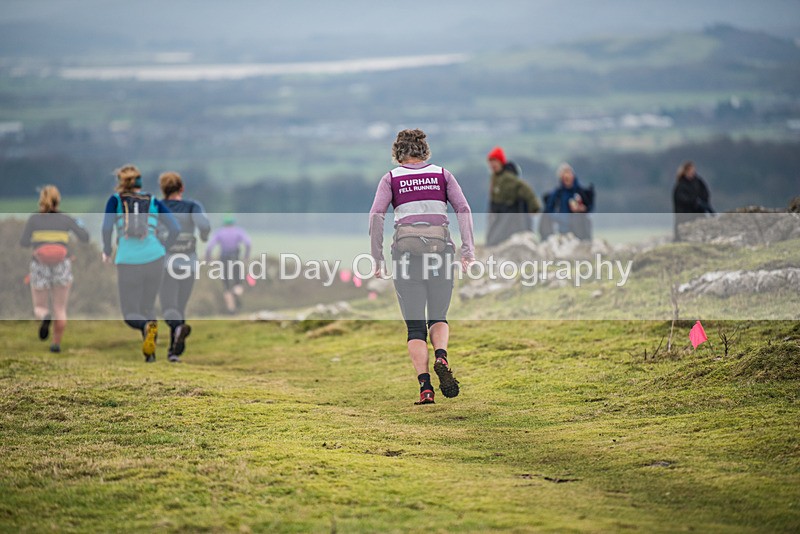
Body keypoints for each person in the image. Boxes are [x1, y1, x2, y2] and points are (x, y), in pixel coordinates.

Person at [369, 129, 475, 405]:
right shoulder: (442, 175)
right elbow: (463, 209)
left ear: (398, 153)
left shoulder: (391, 178)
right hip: (440, 253)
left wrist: (377, 258)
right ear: (424, 151)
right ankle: (441, 356)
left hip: (406, 257)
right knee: (438, 316)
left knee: (415, 328)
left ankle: (425, 388)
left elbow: (377, 215)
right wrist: (468, 251)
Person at [102, 164, 179, 362]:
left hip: (128, 260)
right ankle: (150, 355)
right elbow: (175, 228)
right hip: (155, 258)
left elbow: (107, 228)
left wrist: (107, 251)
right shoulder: (153, 200)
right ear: (139, 181)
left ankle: (145, 328)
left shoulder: (115, 201)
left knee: (130, 313)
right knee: (148, 307)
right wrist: (163, 247)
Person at [19, 185, 90, 353]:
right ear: (58, 200)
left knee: (39, 306)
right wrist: (79, 224)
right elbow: (85, 237)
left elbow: (23, 242)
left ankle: (45, 316)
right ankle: (56, 344)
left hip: (39, 265)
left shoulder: (34, 219)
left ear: (41, 200)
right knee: (60, 308)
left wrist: (37, 243)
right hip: (62, 265)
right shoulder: (65, 219)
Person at [158, 171, 211, 362]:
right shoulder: (192, 206)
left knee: (168, 307)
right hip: (189, 265)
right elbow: (204, 225)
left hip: (165, 264)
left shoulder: (158, 206)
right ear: (182, 188)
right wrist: (203, 237)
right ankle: (173, 352)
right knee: (180, 305)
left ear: (163, 189)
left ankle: (178, 331)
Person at [485, 146, 541, 247]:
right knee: (493, 238)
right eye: (491, 161)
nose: (492, 164)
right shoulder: (495, 177)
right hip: (498, 212)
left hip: (509, 213)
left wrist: (534, 207)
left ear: (501, 162)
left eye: (495, 161)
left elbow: (526, 190)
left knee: (498, 238)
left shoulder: (508, 177)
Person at [204, 217, 251, 314]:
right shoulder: (238, 231)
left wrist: (208, 258)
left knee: (226, 285)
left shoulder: (219, 232)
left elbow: (209, 246)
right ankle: (236, 294)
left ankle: (231, 309)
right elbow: (248, 243)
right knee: (238, 282)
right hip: (235, 258)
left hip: (224, 260)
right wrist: (246, 256)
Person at [540, 163, 595, 241]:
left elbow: (589, 208)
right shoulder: (557, 193)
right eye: (564, 176)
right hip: (563, 228)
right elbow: (549, 209)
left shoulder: (582, 192)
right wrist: (559, 218)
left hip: (579, 228)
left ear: (573, 176)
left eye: (569, 174)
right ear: (561, 178)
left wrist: (582, 209)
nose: (567, 177)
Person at [673, 161, 714, 241]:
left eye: (693, 170)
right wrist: (694, 202)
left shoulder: (698, 182)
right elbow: (682, 200)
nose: (692, 172)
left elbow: (705, 193)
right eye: (690, 170)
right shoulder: (681, 185)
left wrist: (702, 202)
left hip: (699, 213)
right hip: (685, 215)